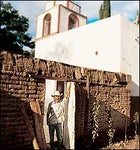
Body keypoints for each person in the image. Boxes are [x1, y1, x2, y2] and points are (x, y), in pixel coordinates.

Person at [47, 83, 71, 149]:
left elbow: (66, 96)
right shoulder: (50, 104)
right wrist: (47, 121)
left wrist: (69, 86)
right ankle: (52, 147)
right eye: (56, 96)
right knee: (51, 137)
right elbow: (48, 113)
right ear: (54, 97)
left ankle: (59, 147)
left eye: (58, 96)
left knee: (59, 137)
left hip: (59, 122)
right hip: (51, 122)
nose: (57, 97)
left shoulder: (62, 103)